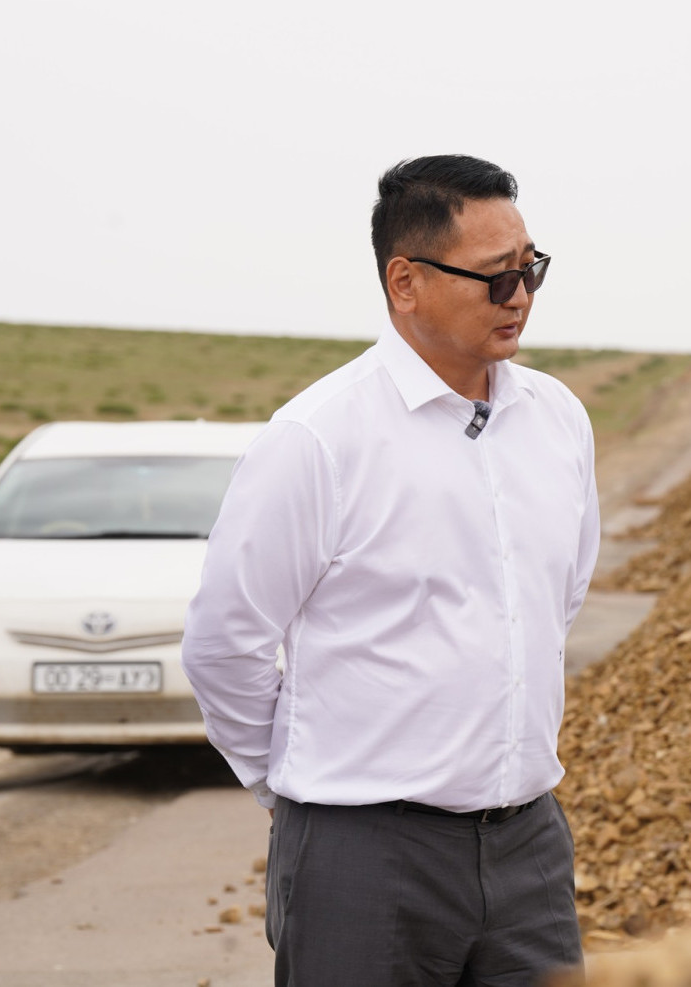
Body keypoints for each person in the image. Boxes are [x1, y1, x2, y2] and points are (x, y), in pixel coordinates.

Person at [182, 155, 598, 985]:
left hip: (528, 851)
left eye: (530, 270)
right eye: (495, 276)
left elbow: (557, 598)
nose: (518, 296)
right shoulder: (318, 439)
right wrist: (298, 789)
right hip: (363, 856)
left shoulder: (557, 421)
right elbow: (225, 646)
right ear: (404, 281)